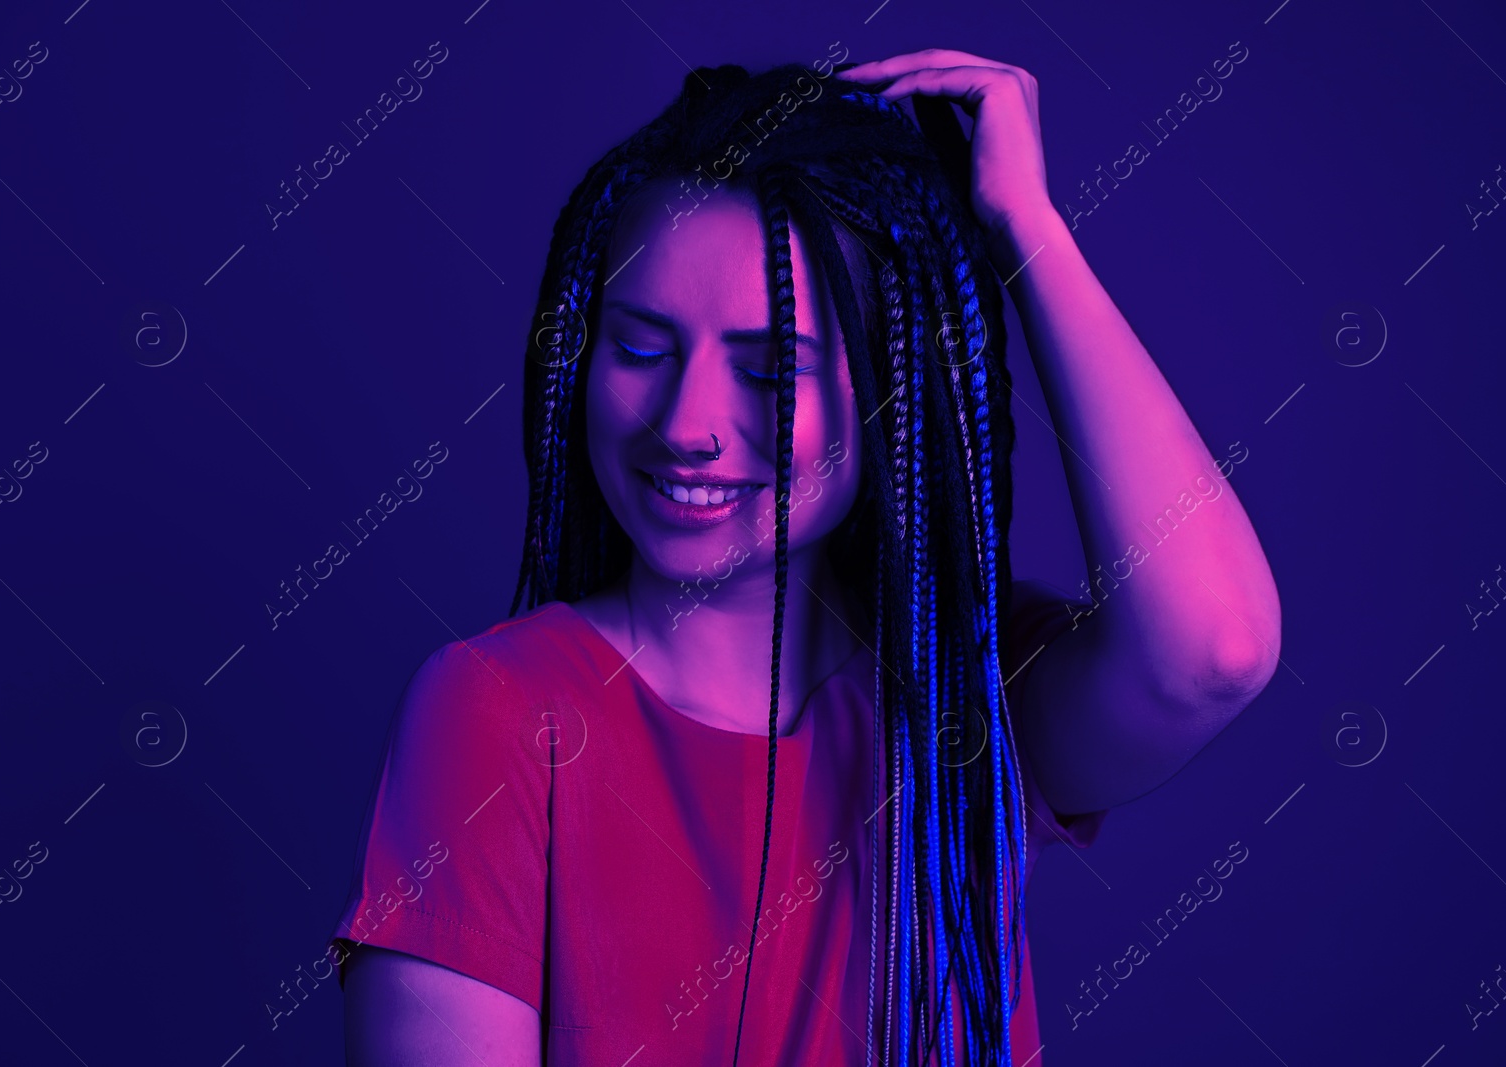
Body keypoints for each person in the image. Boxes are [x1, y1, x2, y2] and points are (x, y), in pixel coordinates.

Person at [329, 48, 1281, 1066]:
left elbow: (1212, 649)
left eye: (769, 368)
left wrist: (1025, 231)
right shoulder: (500, 709)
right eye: (641, 348)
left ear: (886, 394)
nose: (686, 423)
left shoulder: (960, 696)